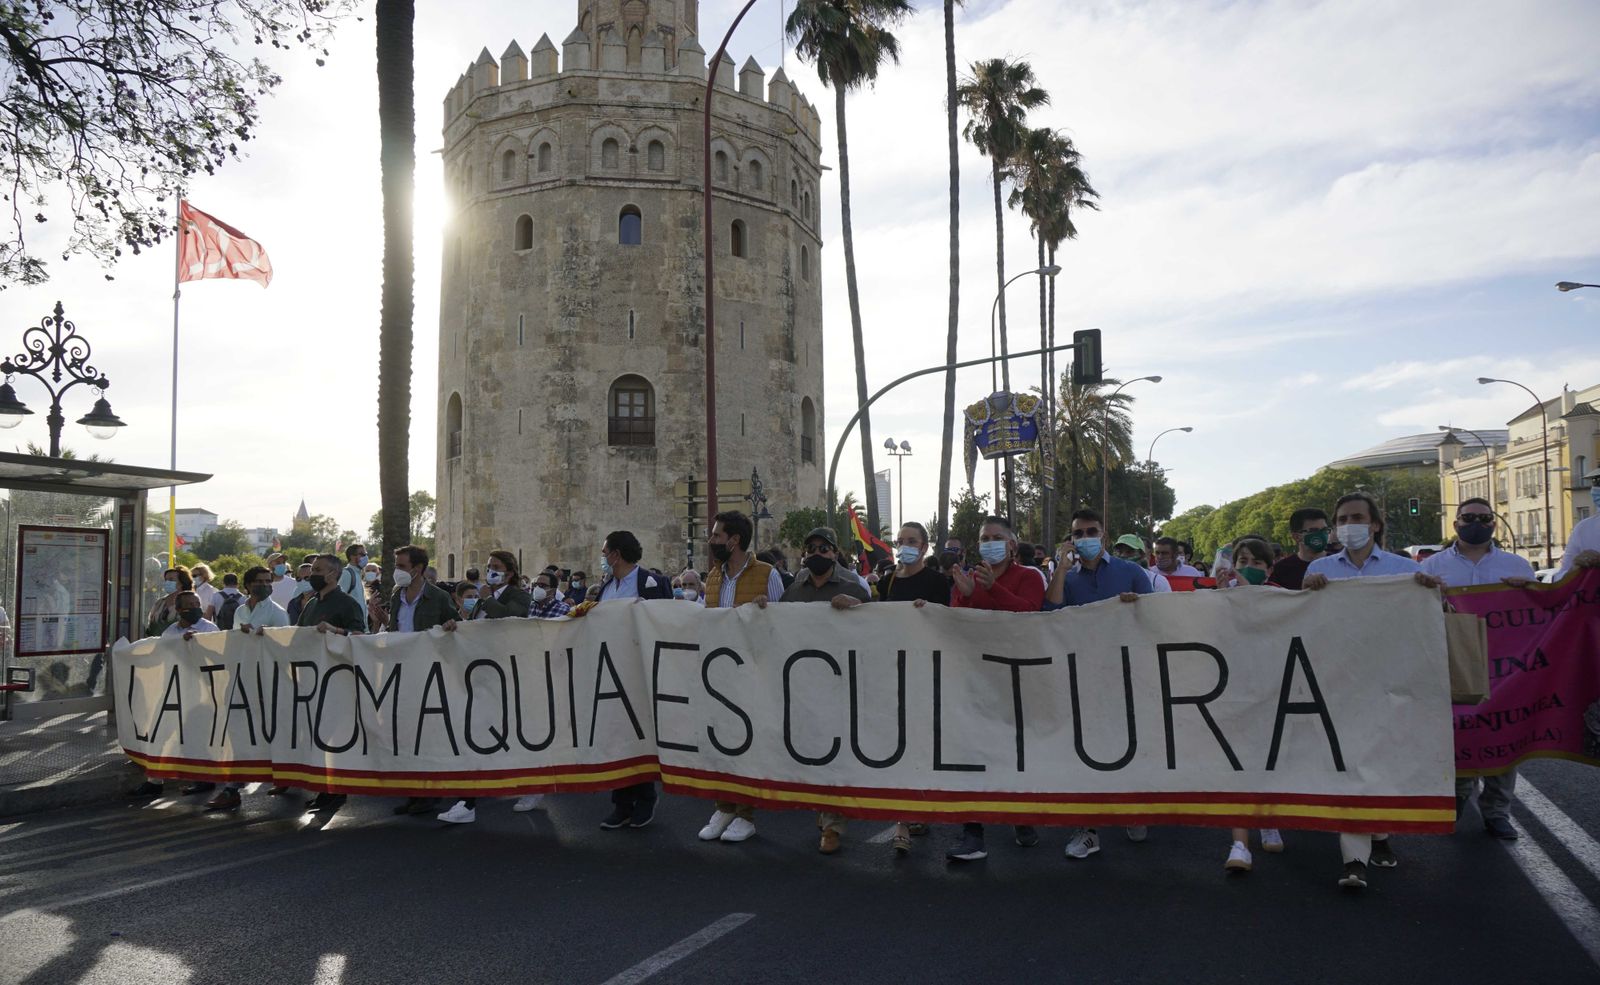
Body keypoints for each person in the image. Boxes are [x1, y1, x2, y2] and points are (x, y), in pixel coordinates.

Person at [1303, 490, 1442, 890]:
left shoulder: (1404, 568)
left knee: (1382, 759)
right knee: (1350, 764)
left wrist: (1429, 592)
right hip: (1339, 682)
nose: (1348, 526)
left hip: (1392, 681)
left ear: (1376, 524)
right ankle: (1354, 859)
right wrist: (1307, 594)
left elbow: (1430, 618)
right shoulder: (1322, 569)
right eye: (1342, 519)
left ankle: (1379, 832)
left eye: (1356, 517)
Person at [1420, 499, 1536, 841]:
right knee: (1459, 731)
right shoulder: (1431, 566)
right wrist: (1431, 595)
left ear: (1494, 524)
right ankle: (1454, 800)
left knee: (1505, 735)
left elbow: (1536, 613)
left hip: (1506, 666)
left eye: (1484, 518)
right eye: (1469, 518)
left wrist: (1525, 593)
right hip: (1453, 662)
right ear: (1455, 525)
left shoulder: (1517, 565)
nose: (1477, 523)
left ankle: (1497, 811)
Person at [1044, 509, 1150, 859]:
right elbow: (1051, 615)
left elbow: (1153, 619)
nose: (1085, 537)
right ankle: (1088, 829)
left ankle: (1132, 809)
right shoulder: (1068, 579)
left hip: (1125, 673)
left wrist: (1137, 608)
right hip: (1081, 675)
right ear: (1070, 539)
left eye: (1091, 531)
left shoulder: (1131, 572)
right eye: (1078, 533)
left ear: (1104, 536)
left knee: (1127, 746)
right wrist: (1061, 568)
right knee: (1084, 752)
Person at [945, 516, 1045, 862]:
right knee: (972, 753)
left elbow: (1029, 616)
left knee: (1015, 752)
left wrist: (988, 591)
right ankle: (974, 832)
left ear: (1012, 545)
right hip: (975, 677)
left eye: (996, 537)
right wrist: (968, 596)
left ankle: (1020, 816)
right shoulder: (967, 580)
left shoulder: (1030, 577)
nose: (989, 542)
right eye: (984, 537)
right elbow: (959, 625)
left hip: (1017, 680)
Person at [776, 526, 874, 855]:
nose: (817, 553)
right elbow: (779, 626)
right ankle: (823, 810)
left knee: (833, 752)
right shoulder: (794, 589)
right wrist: (763, 609)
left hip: (839, 684)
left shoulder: (853, 587)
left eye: (824, 548)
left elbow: (877, 628)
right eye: (811, 548)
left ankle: (832, 825)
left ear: (834, 553)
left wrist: (858, 608)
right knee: (812, 751)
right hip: (803, 684)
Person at [857, 521, 948, 854]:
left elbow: (948, 622)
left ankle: (918, 809)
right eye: (901, 541)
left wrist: (931, 614)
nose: (905, 545)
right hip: (896, 672)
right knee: (901, 746)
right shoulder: (888, 580)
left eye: (912, 541)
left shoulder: (939, 582)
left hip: (927, 671)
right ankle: (903, 820)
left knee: (922, 746)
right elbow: (879, 617)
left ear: (925, 547)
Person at [697, 511, 784, 845]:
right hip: (718, 673)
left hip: (753, 672)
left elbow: (780, 625)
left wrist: (765, 612)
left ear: (733, 540)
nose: (712, 540)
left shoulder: (767, 574)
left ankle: (746, 814)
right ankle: (724, 806)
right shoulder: (715, 576)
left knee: (747, 745)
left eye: (717, 535)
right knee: (720, 742)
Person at [1213, 536, 1286, 870]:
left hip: (1272, 688)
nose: (1248, 567)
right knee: (1236, 762)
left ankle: (1269, 818)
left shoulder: (1281, 597)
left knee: (1269, 757)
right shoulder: (1221, 598)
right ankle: (1240, 844)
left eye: (1256, 563)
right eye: (1242, 561)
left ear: (1270, 568)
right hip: (1232, 688)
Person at [595, 530, 672, 831]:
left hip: (640, 671)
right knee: (617, 738)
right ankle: (621, 803)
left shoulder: (652, 583)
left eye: (604, 552)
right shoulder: (606, 587)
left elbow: (665, 622)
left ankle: (644, 797)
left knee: (640, 737)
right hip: (612, 671)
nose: (602, 558)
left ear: (616, 554)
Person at [203, 566, 293, 810]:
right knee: (241, 734)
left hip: (266, 683)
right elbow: (235, 645)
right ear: (248, 585)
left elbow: (283, 648)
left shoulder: (277, 613)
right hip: (242, 680)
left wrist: (260, 636)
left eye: (268, 580)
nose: (265, 585)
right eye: (259, 581)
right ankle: (234, 788)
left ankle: (282, 775)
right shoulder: (241, 610)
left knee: (270, 733)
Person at [1268, 508, 1330, 591]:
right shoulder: (1281, 570)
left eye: (1324, 530)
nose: (1321, 534)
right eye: (1313, 531)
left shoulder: (1341, 562)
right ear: (1296, 537)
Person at [1557, 470, 1600, 578]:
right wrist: (1576, 567)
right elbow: (1560, 577)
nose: (1596, 488)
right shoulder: (1583, 528)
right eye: (1595, 483)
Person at [145, 564, 193, 638]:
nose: (167, 582)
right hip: (158, 645)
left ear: (181, 583)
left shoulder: (190, 603)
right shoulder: (159, 603)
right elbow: (150, 625)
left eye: (171, 580)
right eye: (166, 580)